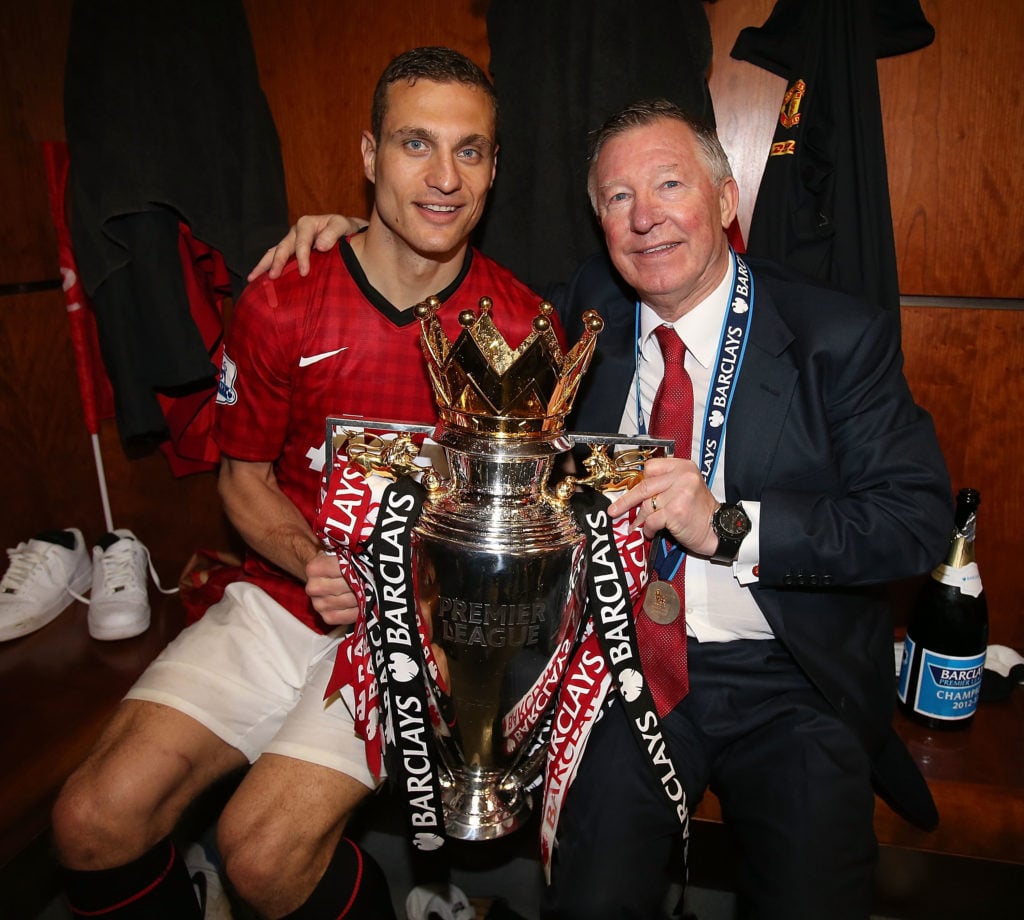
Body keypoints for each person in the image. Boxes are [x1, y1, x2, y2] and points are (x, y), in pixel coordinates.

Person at [256, 99, 952, 920]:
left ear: (726, 202)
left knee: (812, 897)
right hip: (625, 669)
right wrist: (362, 232)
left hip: (790, 676)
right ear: (599, 225)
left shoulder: (834, 335)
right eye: (618, 199)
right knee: (591, 896)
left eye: (668, 184)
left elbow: (914, 521)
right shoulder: (585, 317)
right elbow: (449, 281)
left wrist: (728, 524)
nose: (645, 218)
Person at [50, 47, 548, 920]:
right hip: (282, 596)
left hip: (419, 632)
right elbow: (241, 482)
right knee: (94, 819)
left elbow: (518, 538)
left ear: (495, 167)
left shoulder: (522, 328)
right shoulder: (285, 294)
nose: (443, 177)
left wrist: (415, 595)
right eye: (414, 144)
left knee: (263, 852)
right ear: (367, 157)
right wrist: (316, 557)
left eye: (470, 151)